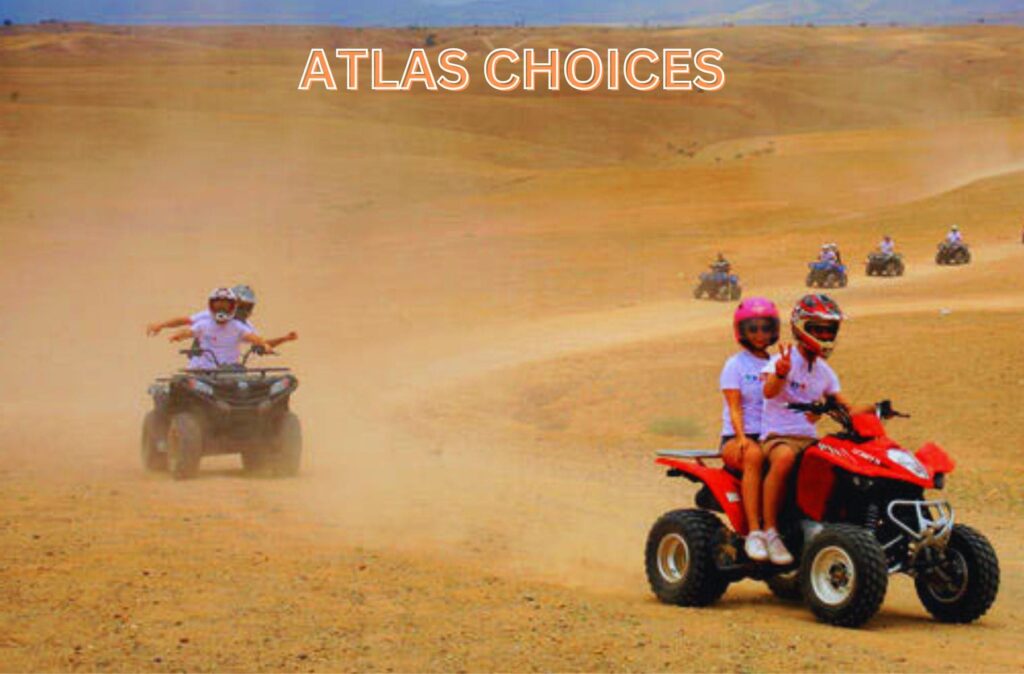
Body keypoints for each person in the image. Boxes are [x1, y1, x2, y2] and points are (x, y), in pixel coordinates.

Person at [759, 294, 872, 565]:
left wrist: (873, 411)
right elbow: (768, 390)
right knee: (785, 458)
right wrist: (782, 374)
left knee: (840, 463)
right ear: (801, 327)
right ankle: (769, 531)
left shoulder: (825, 372)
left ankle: (823, 524)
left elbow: (844, 406)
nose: (824, 334)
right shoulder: (780, 362)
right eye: (818, 328)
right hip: (778, 436)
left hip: (810, 439)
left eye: (829, 329)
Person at [718, 297, 779, 563]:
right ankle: (755, 531)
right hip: (736, 437)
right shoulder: (736, 365)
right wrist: (741, 437)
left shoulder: (778, 362)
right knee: (753, 456)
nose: (760, 334)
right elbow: (734, 406)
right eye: (752, 328)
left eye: (765, 328)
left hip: (770, 435)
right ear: (742, 331)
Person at [146, 284, 298, 349]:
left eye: (247, 307)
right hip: (203, 369)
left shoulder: (244, 326)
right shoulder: (209, 317)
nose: (243, 310)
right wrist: (162, 325)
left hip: (229, 371)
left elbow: (262, 343)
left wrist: (284, 339)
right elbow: (186, 321)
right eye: (240, 305)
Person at [168, 288, 274, 369]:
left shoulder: (237, 326)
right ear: (211, 306)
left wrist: (264, 344)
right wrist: (179, 335)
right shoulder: (204, 324)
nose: (221, 310)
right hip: (203, 370)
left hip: (229, 371)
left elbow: (253, 338)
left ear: (233, 308)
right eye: (218, 306)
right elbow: (189, 331)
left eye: (226, 307)